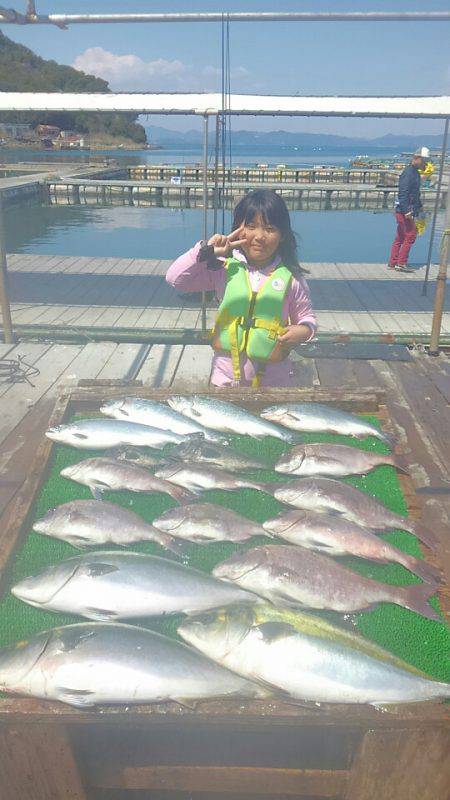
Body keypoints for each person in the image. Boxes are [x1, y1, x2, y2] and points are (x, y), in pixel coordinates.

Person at [166, 189, 317, 387]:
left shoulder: (292, 280)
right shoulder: (223, 269)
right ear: (238, 229)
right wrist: (205, 250)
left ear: (282, 235)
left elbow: (307, 319)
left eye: (270, 228)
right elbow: (176, 279)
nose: (259, 236)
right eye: (251, 226)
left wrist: (303, 331)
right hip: (225, 381)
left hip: (274, 384)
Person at [388, 146, 431, 273]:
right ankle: (401, 263)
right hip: (405, 210)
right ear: (417, 158)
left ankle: (393, 262)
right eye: (424, 161)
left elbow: (415, 193)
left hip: (405, 209)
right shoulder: (409, 173)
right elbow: (403, 193)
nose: (425, 164)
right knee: (411, 235)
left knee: (401, 236)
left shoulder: (415, 173)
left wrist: (420, 206)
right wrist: (407, 210)